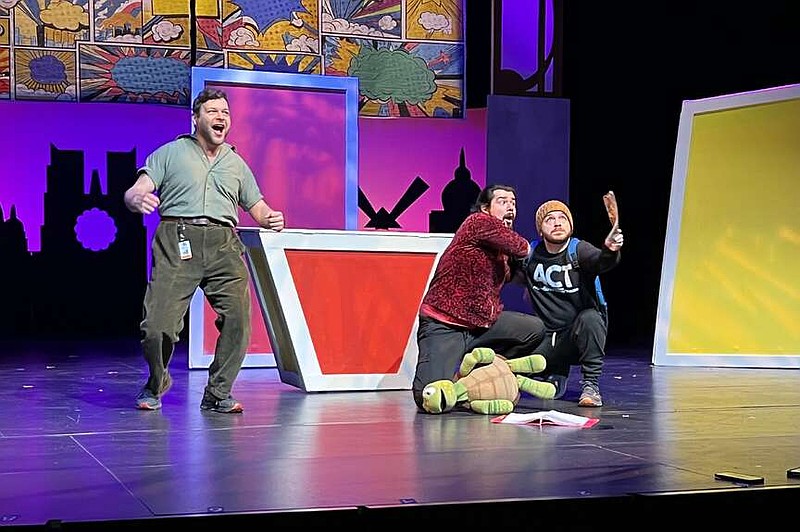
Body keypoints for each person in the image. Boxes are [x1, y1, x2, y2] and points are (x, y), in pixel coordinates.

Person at [123, 87, 285, 413]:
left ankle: (217, 392)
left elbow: (257, 206)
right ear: (195, 118)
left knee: (239, 320)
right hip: (178, 240)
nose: (220, 117)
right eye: (213, 112)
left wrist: (270, 218)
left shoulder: (236, 164)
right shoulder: (171, 153)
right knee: (157, 326)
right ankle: (156, 383)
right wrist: (134, 198)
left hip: (224, 244)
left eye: (225, 113)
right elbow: (137, 189)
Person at [412, 184, 556, 411]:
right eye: (502, 201)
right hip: (446, 324)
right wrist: (545, 245)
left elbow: (517, 273)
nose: (510, 206)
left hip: (482, 327)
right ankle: (465, 387)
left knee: (533, 330)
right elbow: (521, 247)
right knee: (429, 397)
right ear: (485, 208)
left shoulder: (501, 253)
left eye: (513, 202)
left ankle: (488, 373)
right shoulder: (477, 223)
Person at [517, 199, 623, 407]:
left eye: (562, 218)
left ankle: (591, 386)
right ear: (540, 229)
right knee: (512, 360)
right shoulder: (530, 254)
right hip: (546, 337)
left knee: (591, 317)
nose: (557, 223)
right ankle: (555, 372)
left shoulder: (578, 249)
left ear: (570, 226)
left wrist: (610, 250)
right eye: (549, 219)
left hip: (577, 335)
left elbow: (600, 261)